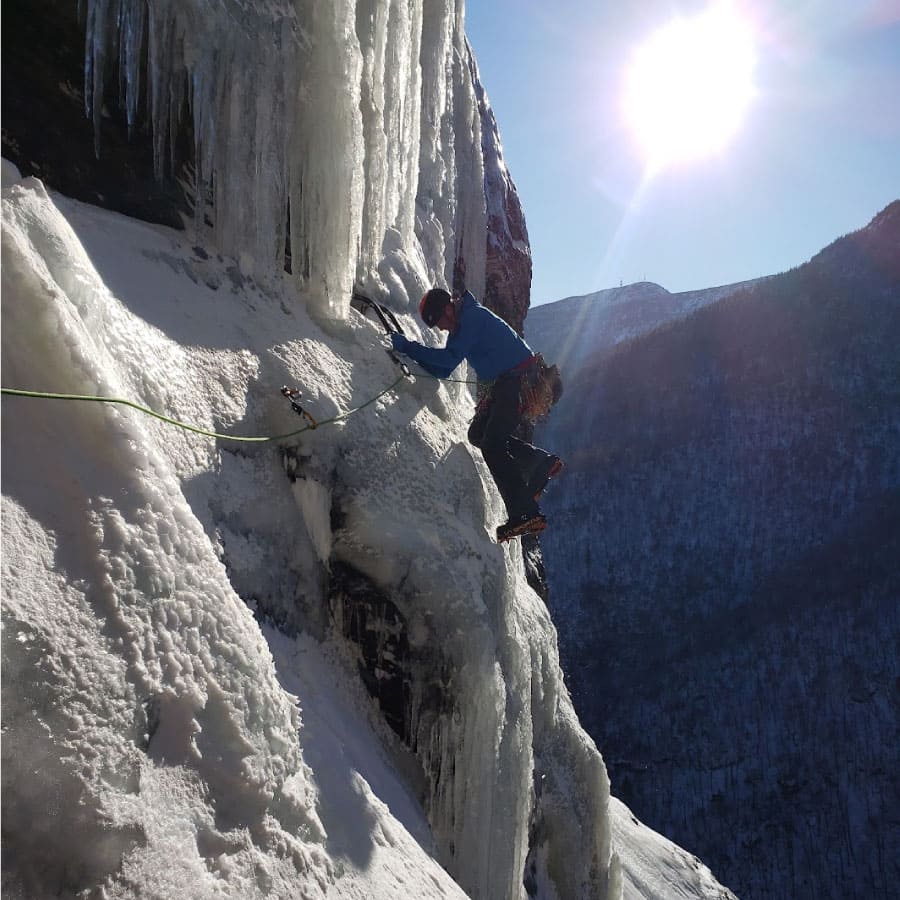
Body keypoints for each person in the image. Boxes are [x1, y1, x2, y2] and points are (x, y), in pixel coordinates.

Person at [390, 287, 563, 542]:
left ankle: (524, 512)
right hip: (512, 381)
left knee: (492, 445)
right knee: (478, 434)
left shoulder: (472, 318)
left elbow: (447, 361)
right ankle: (539, 463)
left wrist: (408, 347)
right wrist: (413, 353)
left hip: (516, 382)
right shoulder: (463, 322)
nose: (442, 328)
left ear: (448, 308)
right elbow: (444, 370)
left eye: (440, 321)